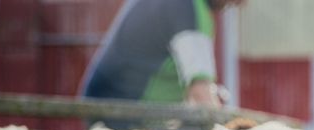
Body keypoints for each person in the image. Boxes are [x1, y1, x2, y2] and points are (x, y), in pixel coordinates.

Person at [79, 0, 245, 108]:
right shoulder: (189, 11)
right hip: (128, 113)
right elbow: (200, 93)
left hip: (105, 104)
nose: (242, 3)